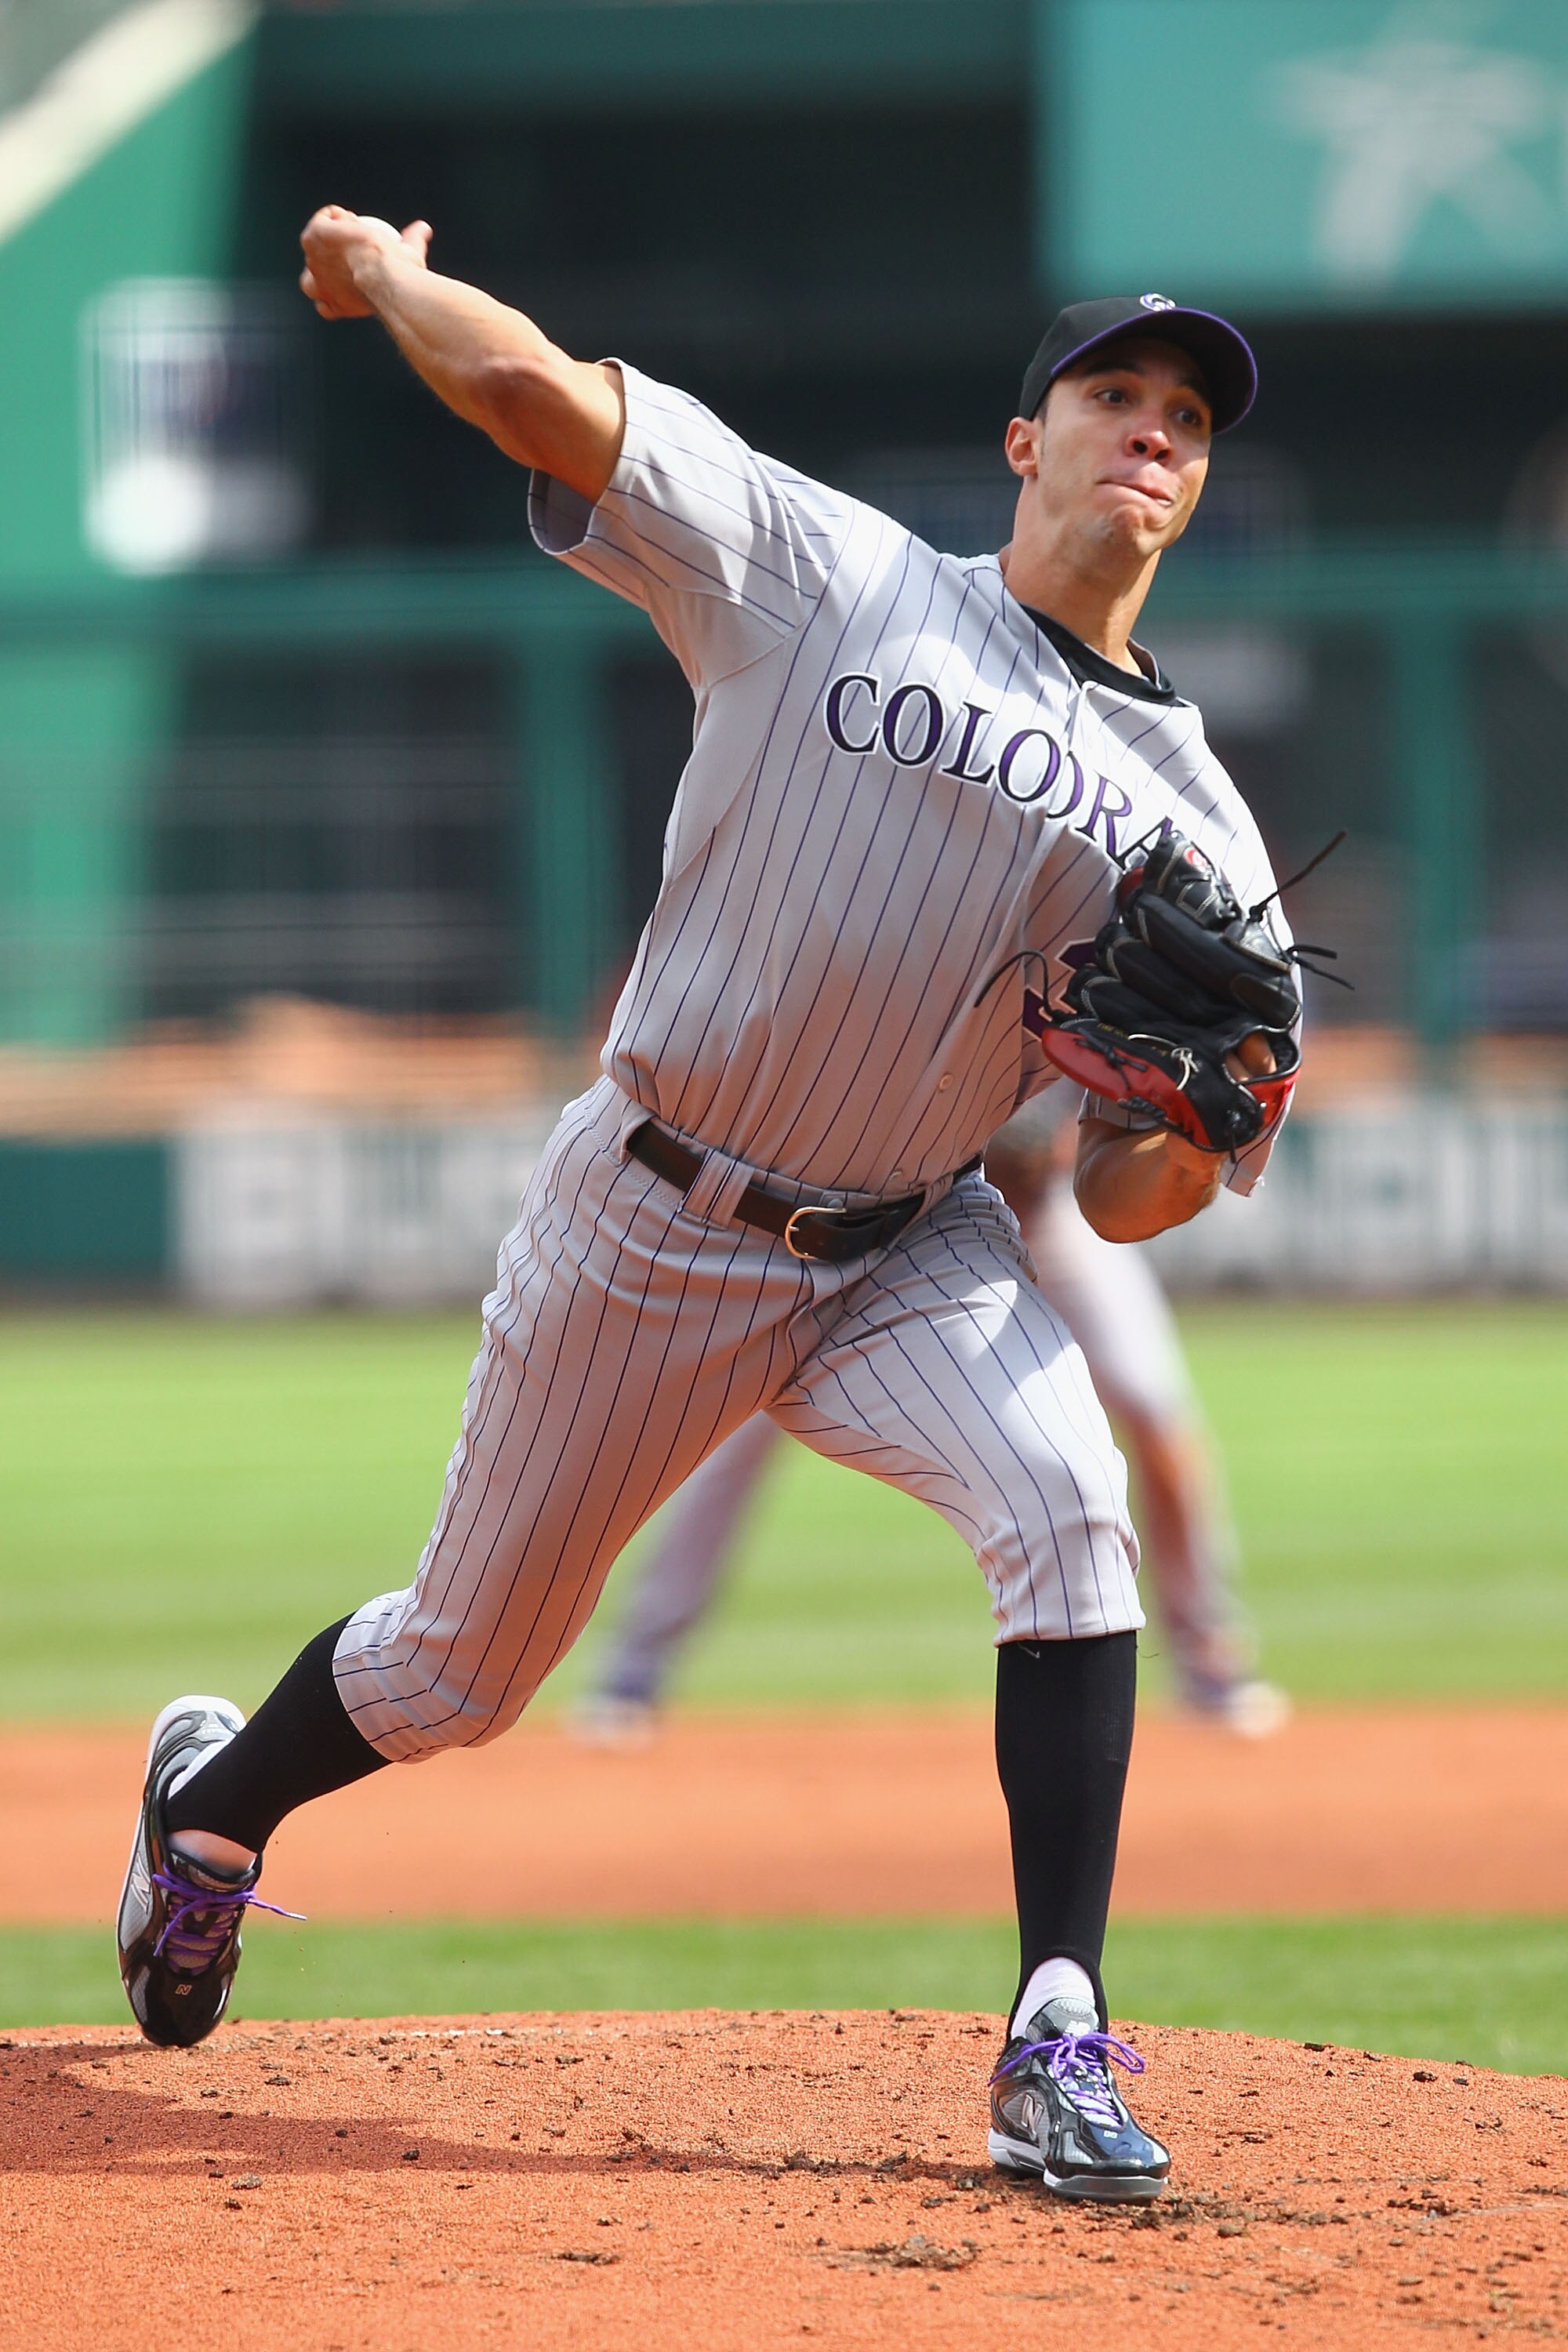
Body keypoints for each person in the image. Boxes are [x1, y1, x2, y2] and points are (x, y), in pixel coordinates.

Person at [117, 216, 1295, 2205]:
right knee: (456, 1674)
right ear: (1025, 442)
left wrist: (1183, 1111)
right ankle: (210, 1814)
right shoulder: (823, 570)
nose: (1148, 434)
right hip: (651, 1213)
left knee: (1066, 1504)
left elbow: (1127, 1193)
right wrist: (385, 280)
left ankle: (1053, 2030)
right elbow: (537, 398)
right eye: (1113, 395)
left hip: (904, 1238)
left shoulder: (1201, 827)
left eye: (1183, 417)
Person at [575, 1086, 1287, 1744]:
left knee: (1154, 1407)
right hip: (878, 1219)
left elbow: (1095, 1124)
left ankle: (1210, 1664)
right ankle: (636, 1669)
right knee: (739, 1431)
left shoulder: (1080, 957)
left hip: (1049, 1220)